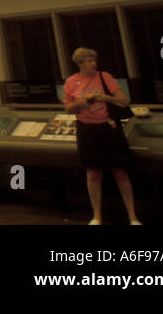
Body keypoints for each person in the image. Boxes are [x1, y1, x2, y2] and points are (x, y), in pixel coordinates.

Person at [63, 47, 140, 225]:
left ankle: (133, 217)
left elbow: (123, 100)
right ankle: (97, 216)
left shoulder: (105, 77)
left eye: (94, 60)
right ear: (80, 62)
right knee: (93, 173)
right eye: (89, 60)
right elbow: (68, 108)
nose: (93, 63)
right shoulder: (71, 82)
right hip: (87, 129)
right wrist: (84, 101)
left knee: (120, 172)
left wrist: (106, 98)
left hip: (109, 127)